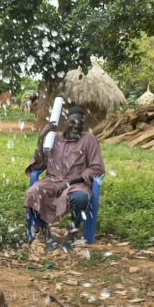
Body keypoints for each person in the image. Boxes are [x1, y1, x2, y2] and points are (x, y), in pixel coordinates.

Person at [23, 106, 105, 252]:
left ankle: (72, 234)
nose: (77, 126)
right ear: (65, 121)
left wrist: (69, 181)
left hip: (77, 183)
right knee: (32, 193)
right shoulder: (53, 139)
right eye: (73, 122)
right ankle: (47, 233)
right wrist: (41, 138)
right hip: (52, 180)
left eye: (81, 123)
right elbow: (39, 162)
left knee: (80, 198)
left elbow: (97, 167)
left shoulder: (89, 140)